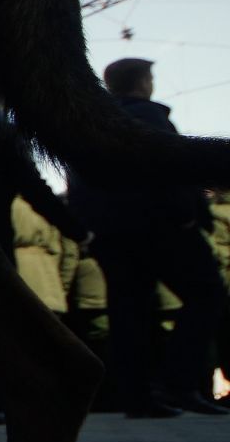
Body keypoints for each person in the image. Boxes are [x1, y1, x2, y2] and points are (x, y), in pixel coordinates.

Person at [67, 59, 226, 417]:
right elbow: (173, 167)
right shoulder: (149, 118)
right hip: (163, 227)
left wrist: (90, 229)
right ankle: (178, 383)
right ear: (143, 83)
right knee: (207, 294)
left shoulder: (88, 124)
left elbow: (78, 181)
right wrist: (186, 216)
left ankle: (137, 396)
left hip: (111, 234)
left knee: (129, 311)